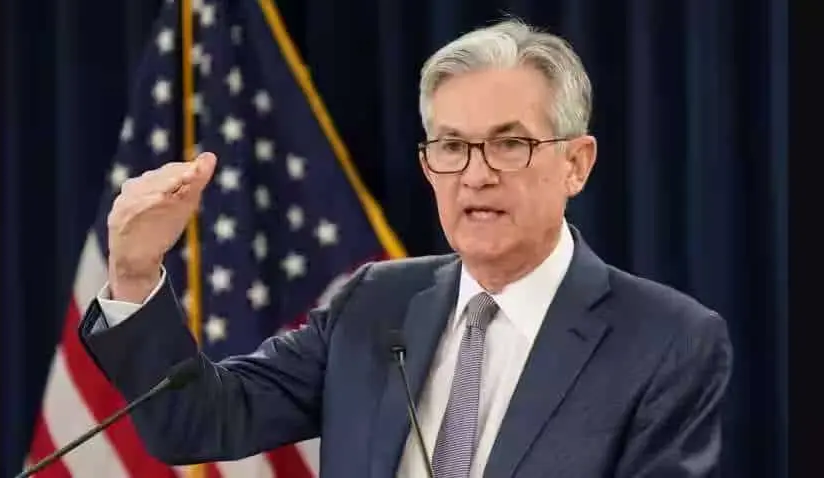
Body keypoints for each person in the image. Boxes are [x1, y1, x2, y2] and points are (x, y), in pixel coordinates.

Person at [81, 18, 733, 477]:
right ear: (428, 165)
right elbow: (196, 424)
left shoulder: (667, 340)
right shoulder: (373, 302)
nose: (476, 173)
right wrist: (136, 273)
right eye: (450, 146)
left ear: (576, 163)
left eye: (509, 144)